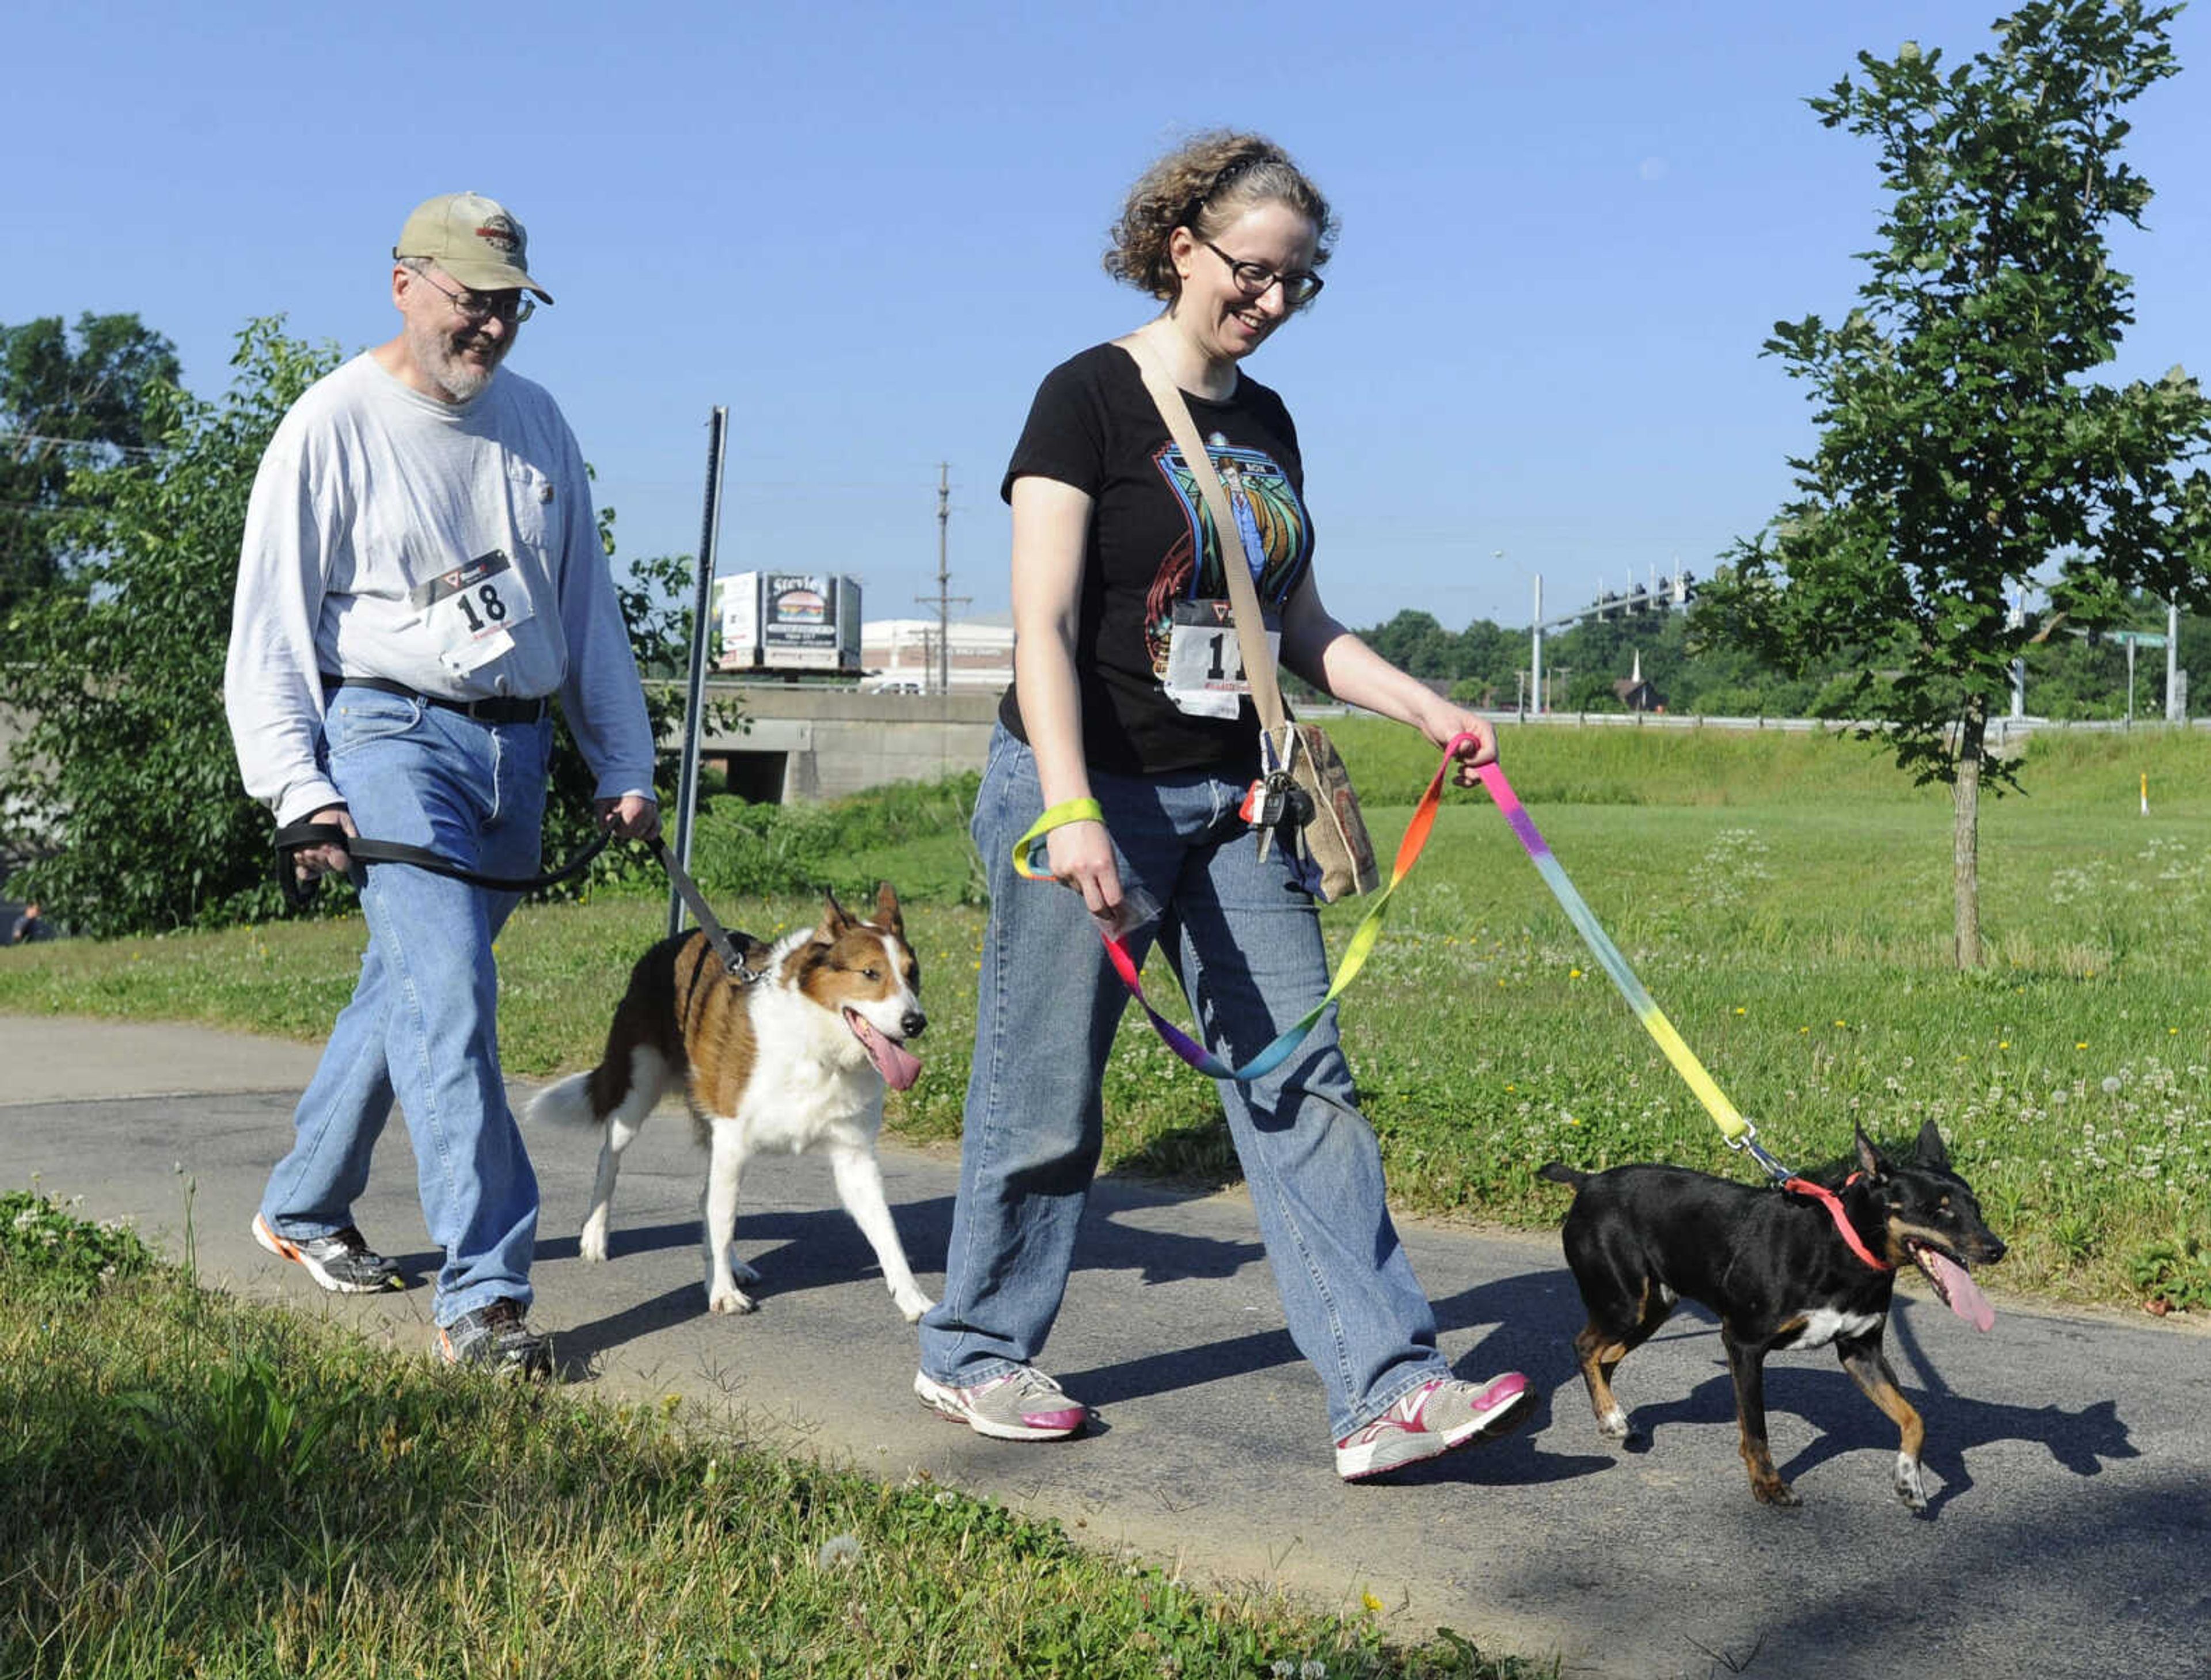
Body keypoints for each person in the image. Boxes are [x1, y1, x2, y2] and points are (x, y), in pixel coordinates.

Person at [915, 132, 1537, 1479]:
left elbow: (1298, 622)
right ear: (1181, 243)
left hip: (1236, 798)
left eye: (1296, 283)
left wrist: (1430, 708)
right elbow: (1042, 622)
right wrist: (1070, 810)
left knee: (1302, 1079)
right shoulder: (1082, 398)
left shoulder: (1267, 421)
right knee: (1044, 1097)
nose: (1269, 301)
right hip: (1084, 787)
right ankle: (975, 1348)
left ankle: (1387, 1390)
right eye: (1253, 272)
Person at [224, 192, 659, 1375]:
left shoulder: (537, 422)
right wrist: (297, 788)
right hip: (391, 733)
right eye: (473, 301)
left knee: (412, 986)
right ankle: (486, 1295)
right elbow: (266, 630)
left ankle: (303, 1205)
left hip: (515, 747)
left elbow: (585, 613)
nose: (493, 328)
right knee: (453, 999)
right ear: (406, 282)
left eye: (511, 306)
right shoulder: (330, 425)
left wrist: (623, 760)